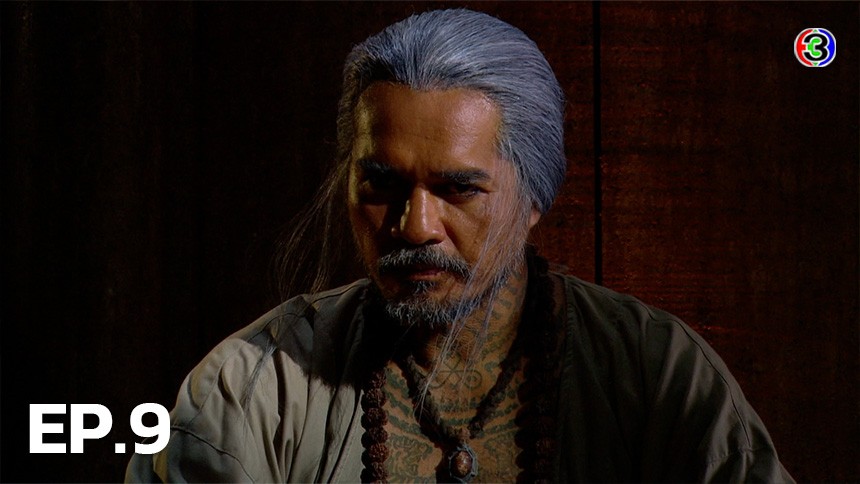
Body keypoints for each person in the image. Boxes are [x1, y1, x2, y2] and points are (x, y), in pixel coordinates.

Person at [126, 9, 793, 483]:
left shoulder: (656, 374)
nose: (415, 225)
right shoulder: (252, 390)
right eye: (382, 184)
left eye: (459, 188)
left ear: (533, 198)